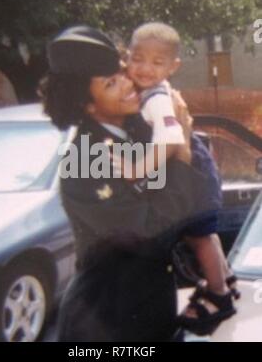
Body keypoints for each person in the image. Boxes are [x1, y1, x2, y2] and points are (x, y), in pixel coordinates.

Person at [40, 25, 221, 342]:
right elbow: (152, 235)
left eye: (122, 71)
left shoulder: (141, 130)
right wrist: (181, 153)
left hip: (155, 315)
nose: (129, 82)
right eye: (111, 83)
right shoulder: (85, 160)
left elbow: (197, 204)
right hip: (105, 326)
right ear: (87, 105)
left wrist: (185, 142)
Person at [124, 22, 238, 333]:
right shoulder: (145, 93)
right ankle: (224, 278)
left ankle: (220, 294)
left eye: (157, 62)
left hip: (194, 174)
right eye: (138, 58)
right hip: (196, 172)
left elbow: (170, 139)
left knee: (200, 236)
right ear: (126, 57)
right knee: (201, 234)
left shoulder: (157, 99)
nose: (145, 68)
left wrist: (137, 169)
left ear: (173, 66)